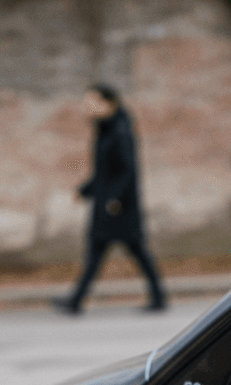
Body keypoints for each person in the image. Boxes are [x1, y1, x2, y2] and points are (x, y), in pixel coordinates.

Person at [54, 83, 166, 314]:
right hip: (108, 203)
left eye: (92, 102)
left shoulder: (120, 130)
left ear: (109, 103)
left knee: (134, 249)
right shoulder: (105, 128)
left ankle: (158, 296)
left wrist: (113, 200)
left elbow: (127, 170)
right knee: (101, 251)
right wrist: (85, 190)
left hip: (118, 206)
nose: (86, 107)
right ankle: (76, 300)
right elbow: (105, 171)